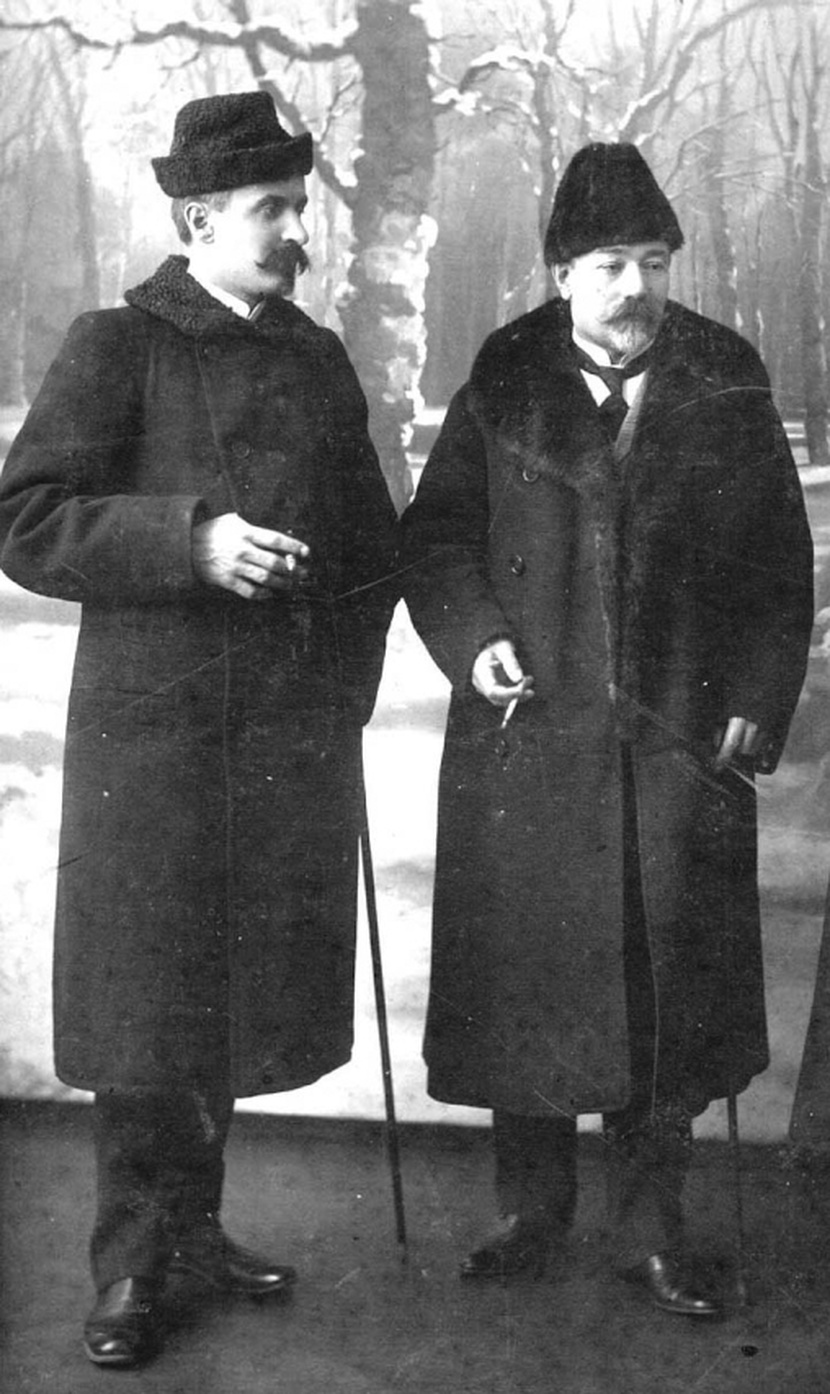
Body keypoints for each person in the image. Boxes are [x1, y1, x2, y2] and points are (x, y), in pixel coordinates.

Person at [0, 91, 397, 1367]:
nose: (295, 231)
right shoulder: (117, 344)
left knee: (226, 998)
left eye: (298, 206)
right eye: (271, 209)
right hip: (154, 749)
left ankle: (195, 1227)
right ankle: (130, 1262)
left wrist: (340, 692)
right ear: (196, 222)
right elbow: (25, 519)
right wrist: (191, 541)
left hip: (281, 739)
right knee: (147, 1007)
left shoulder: (315, 357)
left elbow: (372, 550)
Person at [401, 142, 814, 1317]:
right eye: (608, 266)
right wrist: (474, 636)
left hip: (676, 728)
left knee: (662, 982)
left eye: (651, 262)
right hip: (530, 733)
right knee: (525, 971)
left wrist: (755, 694)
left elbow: (778, 566)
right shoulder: (504, 374)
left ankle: (653, 1225)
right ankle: (530, 1210)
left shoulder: (723, 376)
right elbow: (435, 539)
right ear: (560, 275)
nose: (635, 288)